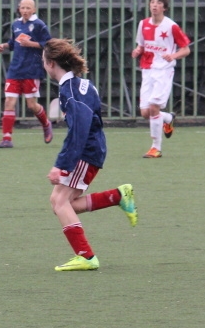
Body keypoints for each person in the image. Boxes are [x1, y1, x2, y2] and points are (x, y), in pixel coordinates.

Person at [43, 39, 137, 271]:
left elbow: (79, 129)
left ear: (51, 63)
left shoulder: (70, 92)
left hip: (86, 152)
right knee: (61, 202)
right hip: (93, 149)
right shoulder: (83, 84)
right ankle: (117, 196)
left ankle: (86, 256)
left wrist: (62, 164)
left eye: (42, 61)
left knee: (60, 201)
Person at [131, 0, 190, 158]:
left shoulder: (171, 26)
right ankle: (167, 118)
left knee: (154, 107)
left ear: (164, 7)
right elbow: (142, 45)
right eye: (152, 2)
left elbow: (186, 50)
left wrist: (173, 55)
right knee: (145, 113)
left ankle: (155, 148)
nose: (154, 5)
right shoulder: (143, 24)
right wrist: (137, 50)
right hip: (147, 70)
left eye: (158, 3)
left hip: (163, 70)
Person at [0, 0, 53, 148]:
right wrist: (4, 46)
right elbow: (14, 43)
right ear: (19, 9)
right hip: (15, 70)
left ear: (34, 10)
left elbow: (49, 44)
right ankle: (6, 138)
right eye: (23, 8)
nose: (25, 11)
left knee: (32, 105)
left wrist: (31, 44)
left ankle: (46, 124)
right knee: (9, 102)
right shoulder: (16, 24)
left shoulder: (39, 25)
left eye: (28, 8)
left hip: (31, 70)